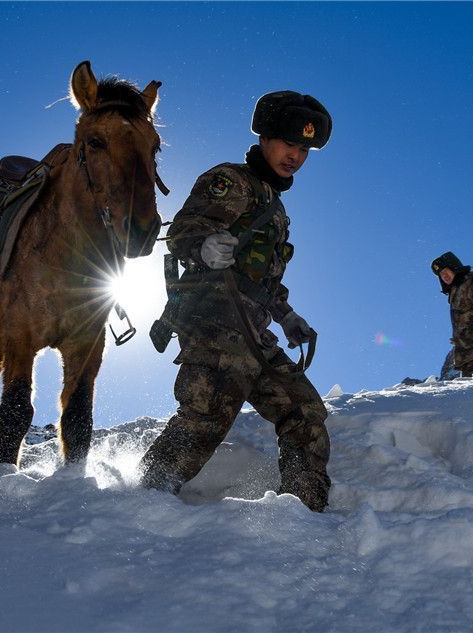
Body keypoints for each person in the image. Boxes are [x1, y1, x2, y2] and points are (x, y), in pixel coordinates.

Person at [140, 91, 333, 512]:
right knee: (207, 417)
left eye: (304, 149)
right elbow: (184, 231)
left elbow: (264, 280)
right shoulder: (231, 180)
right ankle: (143, 498)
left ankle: (304, 511)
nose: (295, 156)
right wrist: (205, 246)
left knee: (304, 411)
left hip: (252, 332)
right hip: (212, 320)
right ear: (264, 138)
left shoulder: (277, 210)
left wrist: (287, 316)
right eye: (288, 144)